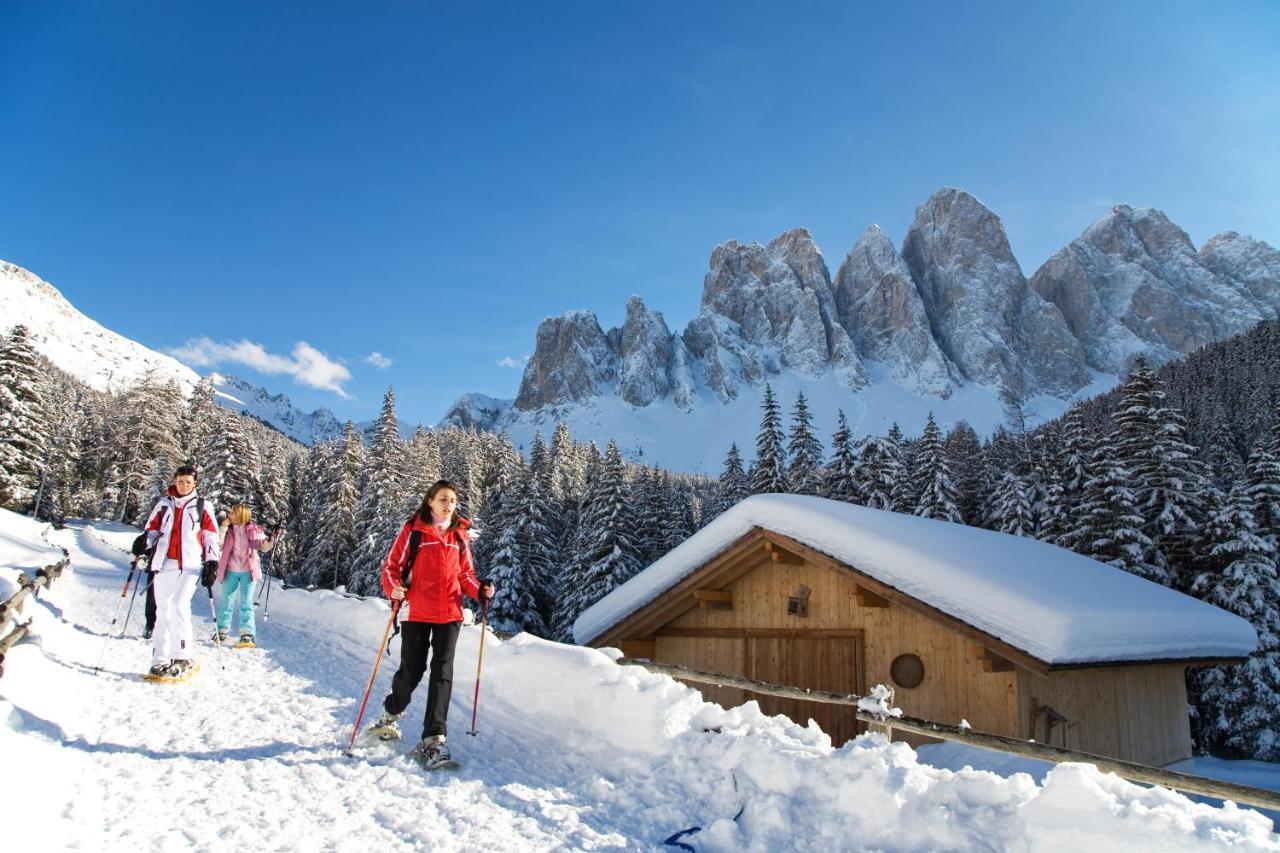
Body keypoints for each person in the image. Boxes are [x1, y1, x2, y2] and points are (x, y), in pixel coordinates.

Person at [366, 479, 495, 768]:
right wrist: (393, 589)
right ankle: (391, 711)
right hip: (417, 612)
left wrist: (480, 591)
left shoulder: (459, 536)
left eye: (452, 500)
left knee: (442, 673)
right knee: (412, 670)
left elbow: (466, 576)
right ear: (430, 501)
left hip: (450, 614)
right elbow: (391, 567)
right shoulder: (414, 530)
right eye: (443, 499)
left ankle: (434, 739)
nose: (448, 504)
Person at [138, 465, 220, 679]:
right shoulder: (164, 505)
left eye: (189, 482)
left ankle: (182, 657)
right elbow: (152, 530)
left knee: (178, 604)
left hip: (191, 564)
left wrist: (212, 561)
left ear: (195, 485)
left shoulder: (202, 506)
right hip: (164, 563)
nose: (184, 486)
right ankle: (159, 660)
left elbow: (211, 535)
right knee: (162, 610)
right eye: (181, 481)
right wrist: (143, 543)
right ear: (174, 481)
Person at [213, 504, 277, 646]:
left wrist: (272, 538)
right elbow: (218, 544)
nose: (229, 515)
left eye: (232, 513)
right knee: (226, 602)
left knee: (246, 603)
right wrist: (222, 528)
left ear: (241, 515)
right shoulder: (228, 530)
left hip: (249, 571)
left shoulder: (254, 530)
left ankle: (247, 634)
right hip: (230, 570)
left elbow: (264, 547)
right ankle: (222, 631)